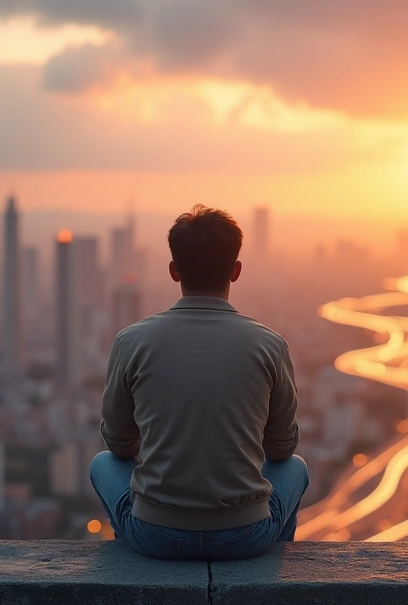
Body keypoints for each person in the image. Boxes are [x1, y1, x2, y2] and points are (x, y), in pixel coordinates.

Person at [89, 204, 308, 560]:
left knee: (102, 462)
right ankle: (272, 572)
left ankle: (131, 563)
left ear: (174, 271)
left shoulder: (131, 341)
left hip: (155, 535)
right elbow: (281, 450)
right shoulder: (270, 344)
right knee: (295, 467)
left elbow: (117, 444)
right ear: (235, 271)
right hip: (246, 536)